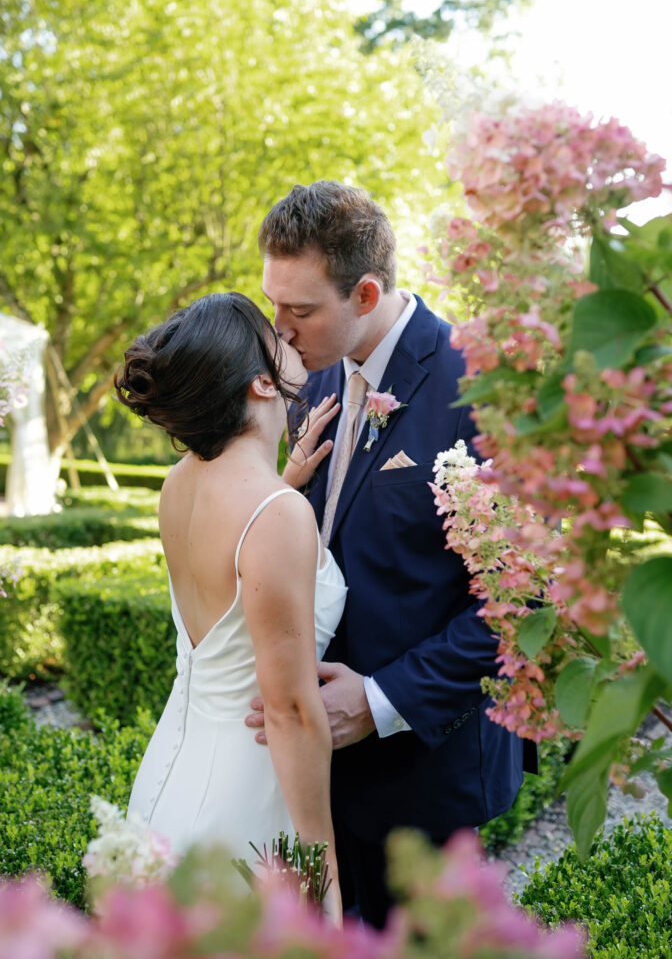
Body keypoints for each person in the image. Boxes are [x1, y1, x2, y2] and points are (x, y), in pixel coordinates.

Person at [246, 181, 527, 929]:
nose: (280, 329)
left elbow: (522, 602)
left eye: (299, 310)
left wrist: (375, 703)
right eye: (275, 304)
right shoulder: (311, 379)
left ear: (365, 293)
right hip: (315, 769)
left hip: (426, 779)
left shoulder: (480, 389)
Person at [117, 292, 346, 924]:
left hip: (170, 770)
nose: (288, 337)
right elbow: (291, 710)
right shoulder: (274, 514)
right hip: (245, 799)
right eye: (274, 338)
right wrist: (318, 866)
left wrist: (286, 480)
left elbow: (229, 558)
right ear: (261, 384)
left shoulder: (180, 484)